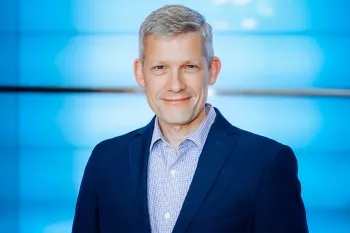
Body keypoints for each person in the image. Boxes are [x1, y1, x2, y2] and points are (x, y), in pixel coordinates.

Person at [72, 4, 308, 233]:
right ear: (140, 73)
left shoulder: (266, 162)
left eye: (190, 66)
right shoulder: (106, 160)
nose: (175, 85)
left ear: (212, 70)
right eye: (160, 67)